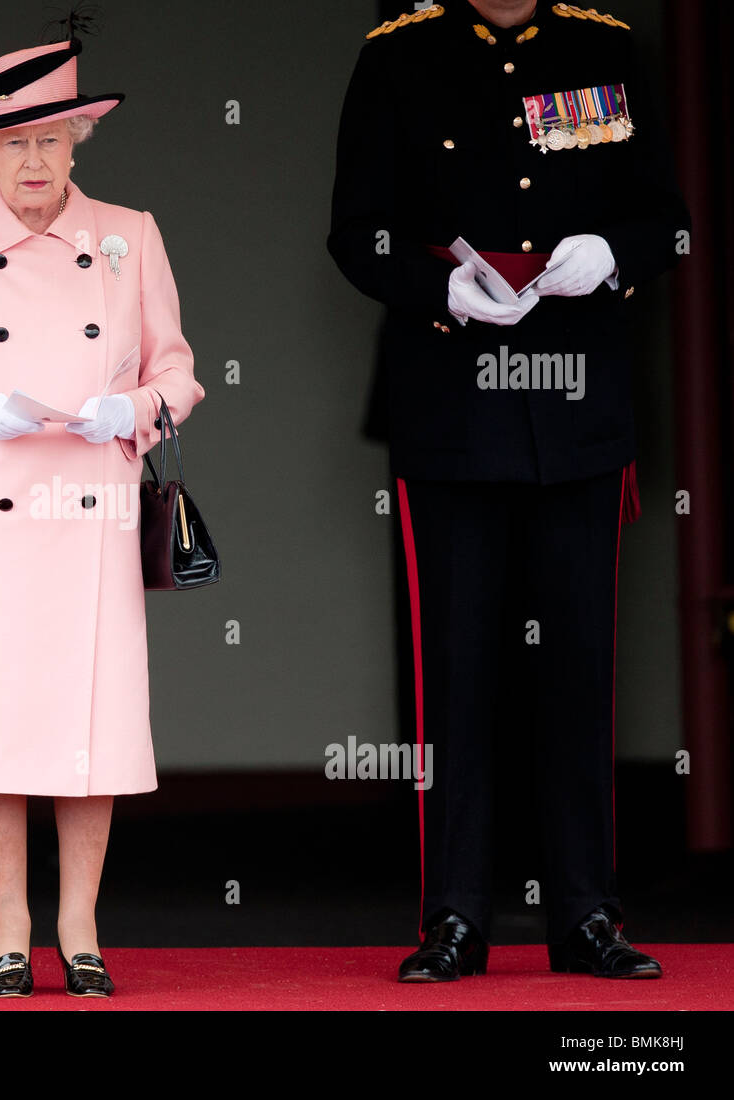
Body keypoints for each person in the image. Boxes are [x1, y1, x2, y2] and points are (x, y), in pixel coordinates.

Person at [327, 1, 690, 981]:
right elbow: (354, 233)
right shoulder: (398, 59)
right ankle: (453, 915)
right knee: (455, 669)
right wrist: (436, 285)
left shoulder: (604, 49)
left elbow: (664, 217)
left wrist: (610, 255)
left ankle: (584, 913)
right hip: (451, 405)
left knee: (579, 665)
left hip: (575, 402)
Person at [0, 22, 204, 998]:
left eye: (50, 137)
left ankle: (81, 922)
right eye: (11, 140)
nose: (32, 159)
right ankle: (9, 924)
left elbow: (177, 373)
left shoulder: (129, 233)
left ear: (78, 142)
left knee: (86, 716)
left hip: (90, 504)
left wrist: (132, 408)